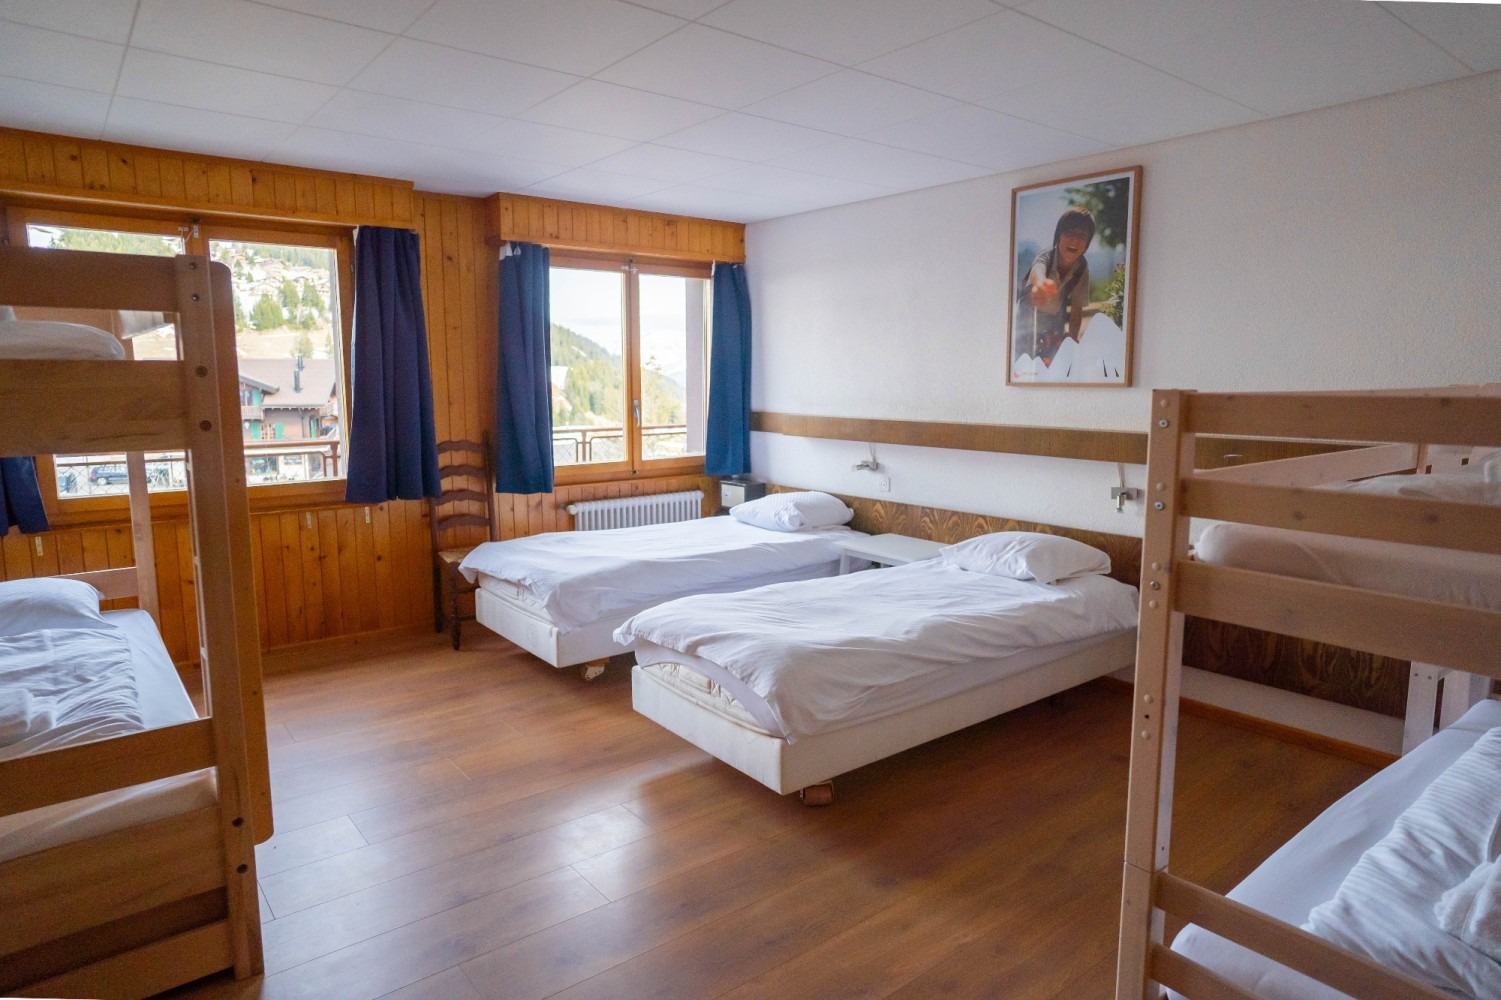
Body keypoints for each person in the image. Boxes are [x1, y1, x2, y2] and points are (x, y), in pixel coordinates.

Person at [1015, 207, 1095, 366]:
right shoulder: (1047, 256)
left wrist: (1072, 336)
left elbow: (1077, 308)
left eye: (1082, 236)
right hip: (1030, 318)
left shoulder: (1081, 269)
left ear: (1087, 245)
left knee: (1051, 360)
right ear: (1058, 237)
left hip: (1054, 321)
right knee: (1025, 358)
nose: (1075, 240)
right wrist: (1040, 283)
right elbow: (1038, 268)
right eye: (1069, 233)